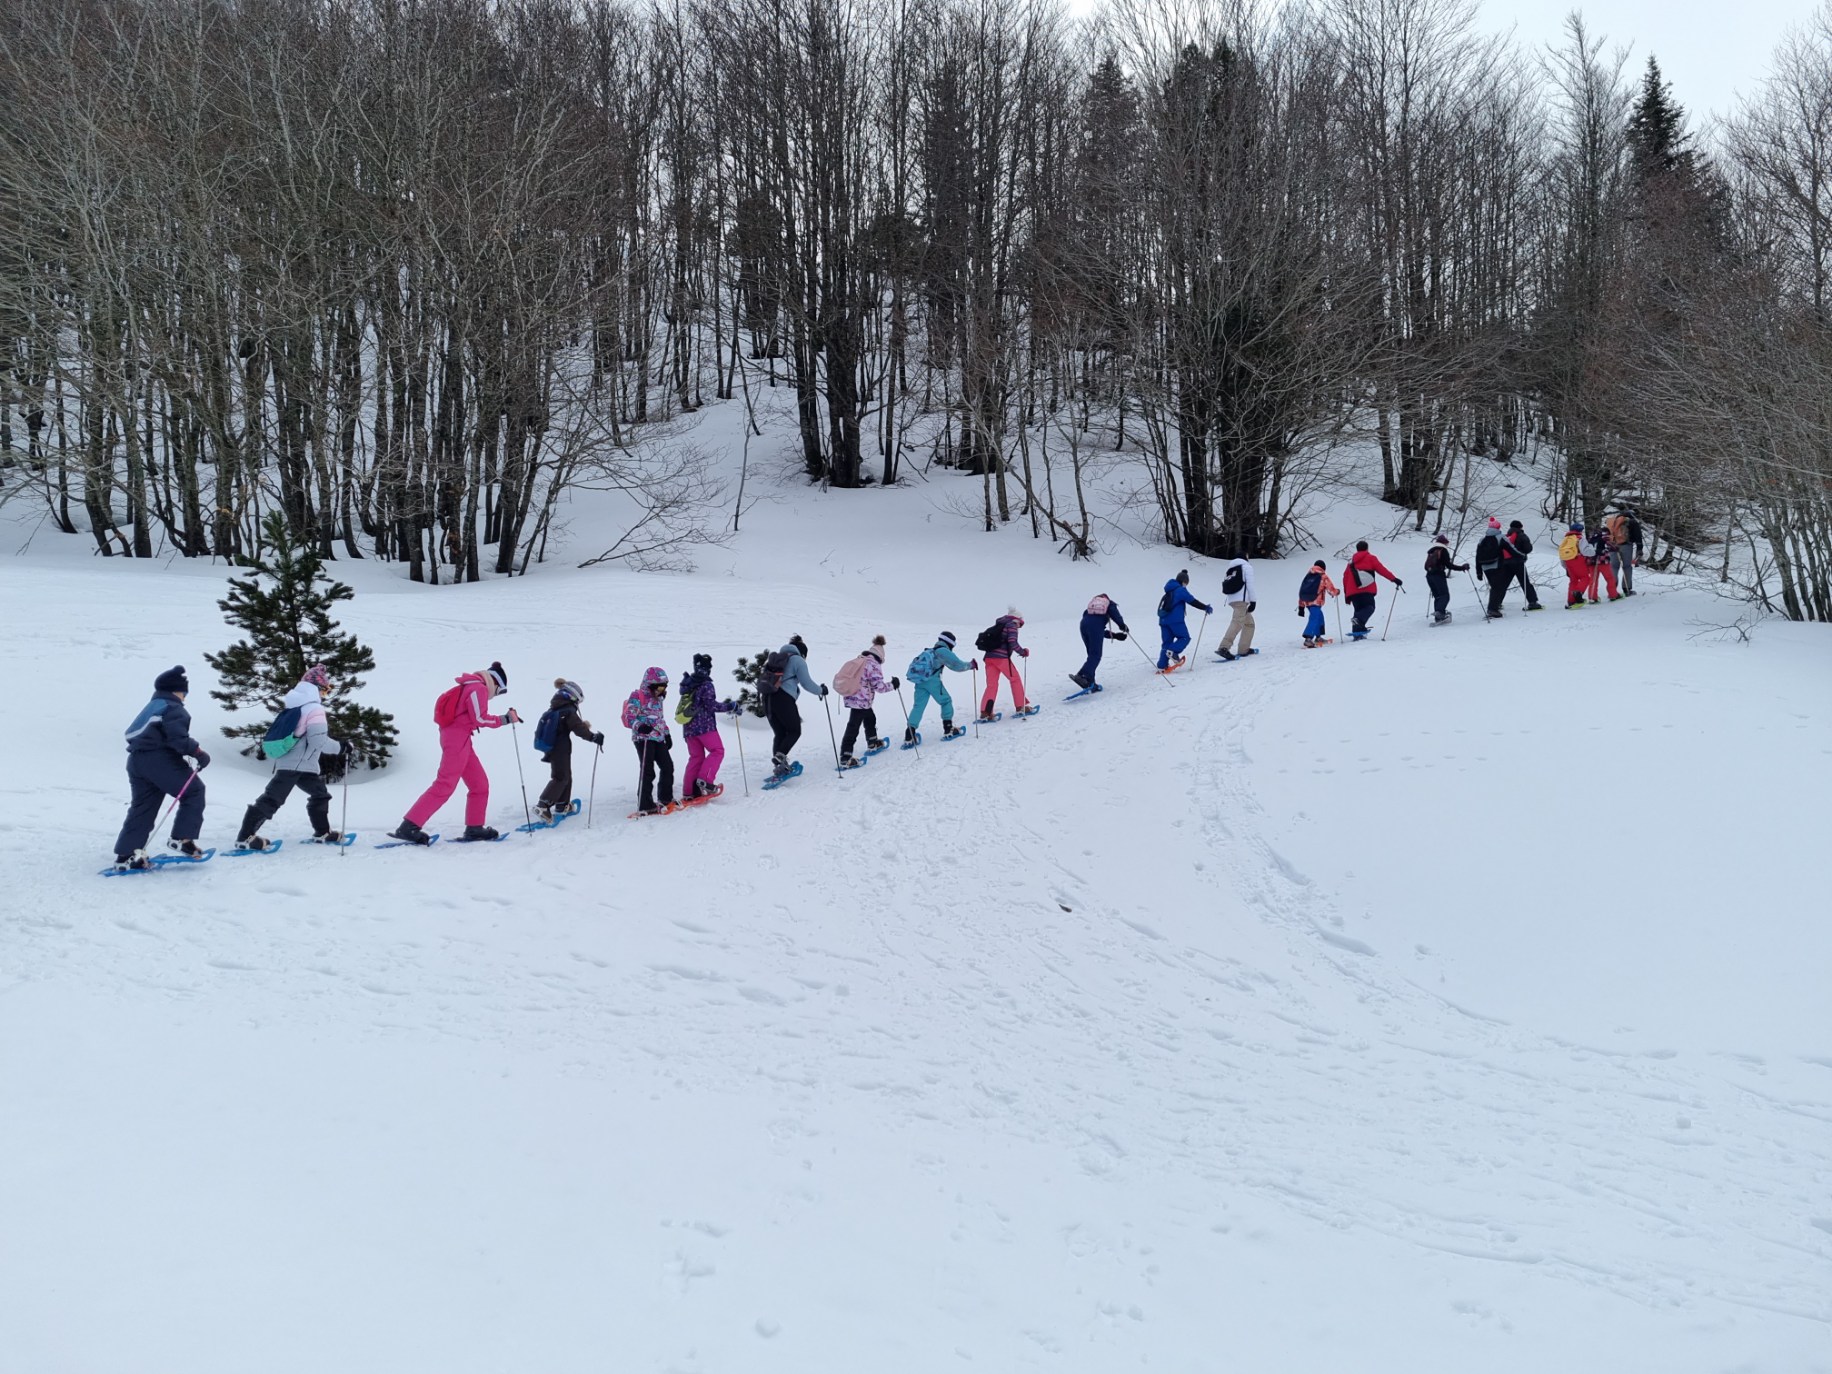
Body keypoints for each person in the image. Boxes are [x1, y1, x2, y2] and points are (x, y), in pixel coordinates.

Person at [391, 660, 520, 845]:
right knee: (445, 784)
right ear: (495, 683)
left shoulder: (472, 686)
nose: (496, 696)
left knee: (479, 785)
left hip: (462, 739)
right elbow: (480, 718)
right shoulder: (478, 688)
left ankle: (475, 828)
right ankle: (409, 827)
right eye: (500, 691)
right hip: (456, 740)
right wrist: (505, 719)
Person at [234, 663, 344, 850]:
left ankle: (322, 832)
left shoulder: (296, 706)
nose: (324, 695)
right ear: (315, 689)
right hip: (296, 765)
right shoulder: (314, 709)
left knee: (320, 794)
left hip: (301, 764)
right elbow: (319, 741)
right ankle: (245, 838)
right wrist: (342, 747)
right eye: (324, 691)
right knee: (272, 799)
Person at [113, 665, 210, 869]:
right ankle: (182, 839)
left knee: (143, 807)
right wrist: (198, 753)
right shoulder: (172, 707)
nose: (184, 697)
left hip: (137, 761)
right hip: (160, 760)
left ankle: (127, 854)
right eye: (184, 693)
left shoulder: (152, 706)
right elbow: (178, 739)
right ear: (176, 691)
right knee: (194, 791)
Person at [534, 679, 603, 823]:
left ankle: (562, 805)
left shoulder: (555, 708)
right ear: (572, 697)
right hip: (560, 748)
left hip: (556, 748)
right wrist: (593, 737)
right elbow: (579, 729)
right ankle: (543, 805)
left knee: (565, 776)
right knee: (560, 777)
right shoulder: (567, 711)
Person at [760, 635, 826, 780]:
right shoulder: (797, 660)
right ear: (803, 653)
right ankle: (780, 758)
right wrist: (821, 691)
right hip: (784, 698)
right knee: (794, 731)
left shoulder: (775, 659)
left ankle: (779, 766)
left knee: (780, 733)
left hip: (767, 698)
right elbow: (806, 683)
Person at [677, 654, 738, 800]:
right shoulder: (706, 685)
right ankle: (705, 780)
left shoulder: (688, 685)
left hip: (688, 727)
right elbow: (711, 705)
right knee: (717, 750)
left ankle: (689, 791)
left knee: (696, 757)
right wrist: (730, 706)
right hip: (705, 727)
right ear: (708, 669)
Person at [834, 636, 899, 767]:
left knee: (870, 718)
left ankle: (872, 742)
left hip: (853, 697)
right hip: (862, 701)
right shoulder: (873, 665)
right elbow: (879, 687)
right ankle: (845, 757)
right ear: (880, 655)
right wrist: (893, 684)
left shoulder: (860, 660)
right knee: (853, 726)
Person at [622, 667, 676, 814]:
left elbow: (660, 719)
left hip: (658, 737)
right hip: (643, 738)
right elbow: (629, 717)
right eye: (659, 687)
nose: (662, 690)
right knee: (648, 770)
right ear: (650, 684)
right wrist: (640, 726)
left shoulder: (658, 699)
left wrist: (667, 734)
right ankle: (644, 803)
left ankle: (665, 798)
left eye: (664, 687)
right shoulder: (637, 695)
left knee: (668, 766)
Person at [905, 632, 975, 742]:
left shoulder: (930, 650)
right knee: (946, 701)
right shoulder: (942, 651)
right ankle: (948, 729)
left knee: (918, 706)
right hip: (932, 681)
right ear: (950, 643)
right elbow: (957, 665)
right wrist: (970, 665)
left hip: (920, 681)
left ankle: (909, 734)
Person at [1342, 541, 1402, 637]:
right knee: (1370, 607)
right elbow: (1381, 569)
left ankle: (1357, 634)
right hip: (1366, 589)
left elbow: (1345, 577)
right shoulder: (1370, 558)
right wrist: (1393, 579)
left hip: (1353, 592)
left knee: (1358, 610)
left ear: (1357, 549)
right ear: (1367, 548)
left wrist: (1347, 594)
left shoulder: (1351, 562)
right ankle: (1358, 620)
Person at [980, 608, 1032, 718]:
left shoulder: (1000, 624)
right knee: (1015, 680)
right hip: (1002, 658)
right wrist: (1023, 652)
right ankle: (1021, 706)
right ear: (1018, 620)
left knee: (991, 685)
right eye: (1020, 624)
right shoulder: (1011, 625)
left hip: (989, 658)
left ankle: (986, 712)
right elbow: (1013, 642)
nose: (1019, 627)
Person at [1156, 571, 1212, 670]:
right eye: (1186, 583)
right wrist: (1205, 607)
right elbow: (1192, 601)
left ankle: (1162, 665)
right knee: (1184, 638)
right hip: (1175, 620)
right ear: (1184, 581)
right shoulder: (1180, 590)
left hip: (1163, 620)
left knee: (1166, 642)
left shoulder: (1169, 591)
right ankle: (1173, 652)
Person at [1072, 595, 1128, 690]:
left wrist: (1115, 635)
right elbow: (1114, 616)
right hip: (1095, 627)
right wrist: (1122, 625)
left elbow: (1097, 631)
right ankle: (1083, 675)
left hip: (1083, 625)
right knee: (1096, 655)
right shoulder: (1110, 604)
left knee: (1092, 655)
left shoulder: (1091, 609)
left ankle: (1090, 683)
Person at [1215, 555, 1257, 660]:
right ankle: (1224, 647)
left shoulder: (1231, 568)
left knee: (1249, 623)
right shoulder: (1246, 567)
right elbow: (1250, 585)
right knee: (1237, 622)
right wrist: (1253, 601)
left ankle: (1244, 649)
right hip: (1241, 600)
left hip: (1232, 599)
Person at [1423, 535, 1469, 625]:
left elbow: (1426, 566)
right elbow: (1449, 565)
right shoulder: (1443, 550)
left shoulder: (1431, 551)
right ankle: (1440, 613)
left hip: (1429, 576)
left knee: (1437, 596)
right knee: (1445, 595)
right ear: (1444, 543)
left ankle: (1438, 617)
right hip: (1438, 575)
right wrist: (1462, 568)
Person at [1297, 560, 1337, 647]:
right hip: (1316, 601)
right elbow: (1330, 588)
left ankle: (1318, 637)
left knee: (1319, 617)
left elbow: (1302, 590)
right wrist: (1336, 592)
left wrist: (1301, 606)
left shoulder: (1308, 576)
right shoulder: (1322, 576)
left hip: (1307, 601)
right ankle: (1308, 638)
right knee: (1314, 618)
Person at [1606, 507, 1643, 595]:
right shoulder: (1631, 521)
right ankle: (1627, 589)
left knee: (1614, 567)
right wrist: (1639, 548)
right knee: (1627, 567)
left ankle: (1612, 589)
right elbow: (1638, 535)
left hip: (1612, 546)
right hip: (1625, 545)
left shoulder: (1612, 521)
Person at [1586, 524, 1620, 602]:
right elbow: (1612, 547)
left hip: (1592, 562)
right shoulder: (1605, 538)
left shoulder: (1591, 539)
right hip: (1603, 561)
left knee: (1593, 579)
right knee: (1609, 578)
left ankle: (1592, 597)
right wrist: (1616, 548)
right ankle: (1613, 595)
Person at [1559, 523, 1590, 607]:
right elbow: (1585, 551)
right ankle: (1578, 594)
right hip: (1578, 560)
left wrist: (1565, 566)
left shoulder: (1566, 539)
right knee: (1585, 578)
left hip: (1567, 561)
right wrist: (1593, 552)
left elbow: (1561, 553)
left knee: (1573, 581)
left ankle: (1571, 600)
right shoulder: (1580, 538)